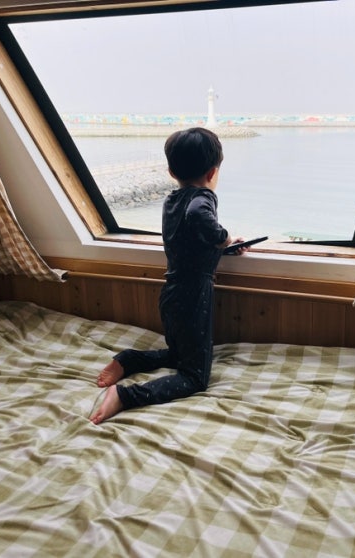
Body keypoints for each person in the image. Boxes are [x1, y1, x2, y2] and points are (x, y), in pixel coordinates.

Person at [90, 127, 246, 424]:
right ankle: (125, 396)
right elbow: (199, 216)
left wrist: (224, 248)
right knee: (195, 376)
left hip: (172, 293)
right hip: (194, 298)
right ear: (213, 172)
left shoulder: (171, 201)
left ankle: (128, 360)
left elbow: (190, 241)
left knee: (177, 355)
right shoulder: (203, 196)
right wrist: (225, 238)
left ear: (172, 172)